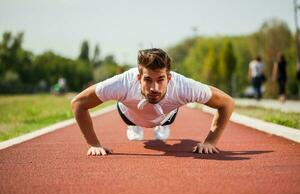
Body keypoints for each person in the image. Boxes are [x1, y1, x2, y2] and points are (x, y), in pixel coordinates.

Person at [71, 48, 234, 156]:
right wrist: (94, 144)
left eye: (161, 79)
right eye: (148, 79)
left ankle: (161, 124)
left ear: (169, 78)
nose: (154, 88)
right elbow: (78, 103)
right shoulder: (123, 83)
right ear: (138, 77)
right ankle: (134, 125)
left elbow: (226, 103)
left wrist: (211, 142)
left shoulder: (183, 87)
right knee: (137, 127)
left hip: (165, 115)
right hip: (130, 114)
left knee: (163, 115)